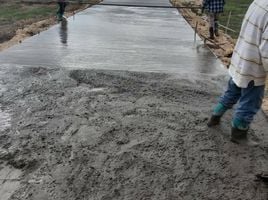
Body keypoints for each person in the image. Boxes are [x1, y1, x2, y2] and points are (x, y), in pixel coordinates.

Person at [207, 0, 268, 144]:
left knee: (232, 92)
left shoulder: (259, 2)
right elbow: (267, 51)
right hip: (253, 67)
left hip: (240, 59)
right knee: (250, 102)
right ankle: (238, 134)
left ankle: (214, 118)